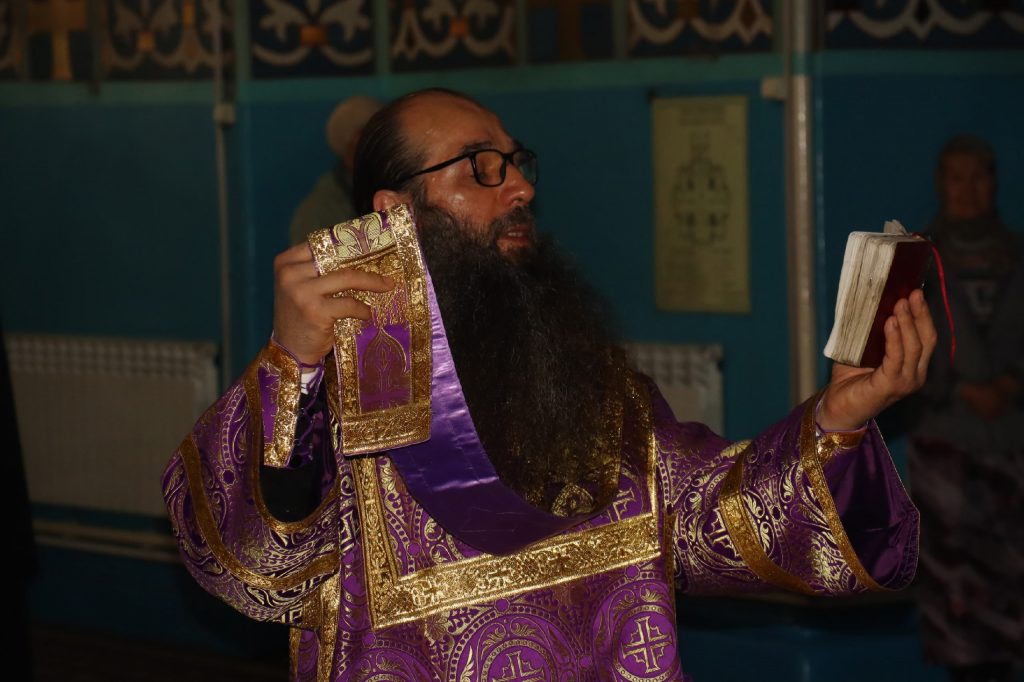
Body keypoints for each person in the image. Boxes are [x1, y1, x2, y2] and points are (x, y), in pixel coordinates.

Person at [163, 89, 936, 681]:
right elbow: (256, 568)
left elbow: (706, 523)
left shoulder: (590, 386)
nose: (520, 188)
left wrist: (837, 418)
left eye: (516, 162)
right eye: (480, 167)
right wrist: (291, 369)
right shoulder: (338, 406)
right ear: (396, 211)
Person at [907, 135, 1024, 682]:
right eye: (957, 178)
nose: (967, 189)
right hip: (945, 453)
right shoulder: (915, 260)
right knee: (956, 597)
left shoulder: (1017, 255)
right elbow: (889, 349)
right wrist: (956, 390)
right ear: (940, 184)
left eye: (978, 176)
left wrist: (1012, 383)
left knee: (1012, 588)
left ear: (994, 182)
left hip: (1014, 449)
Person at [288, 95, 383, 246]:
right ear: (351, 142)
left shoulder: (392, 190)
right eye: (368, 135)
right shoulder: (318, 210)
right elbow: (310, 259)